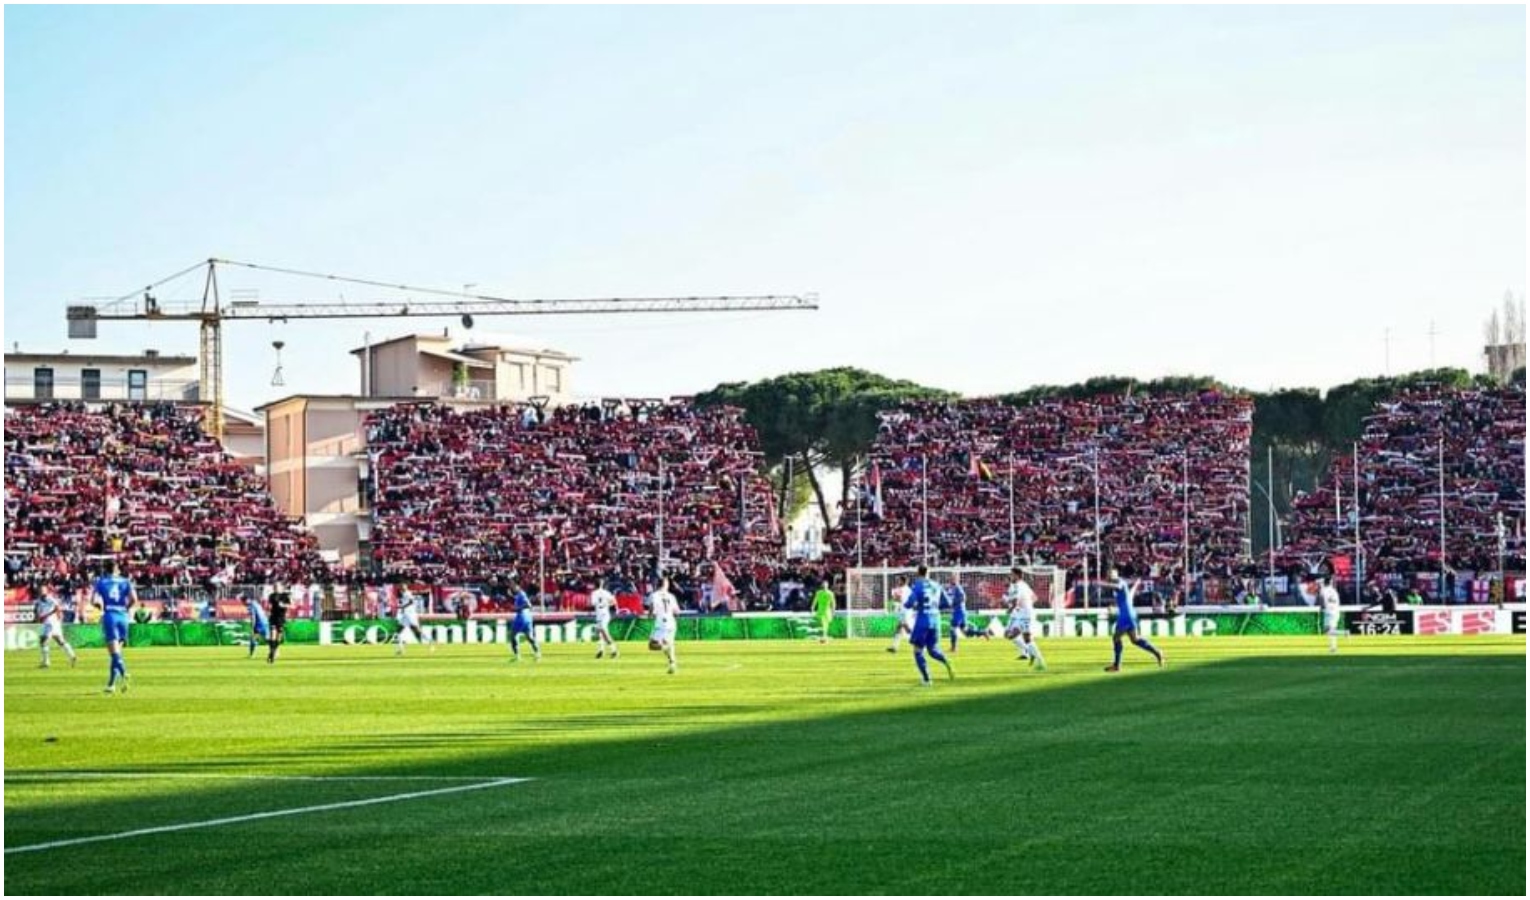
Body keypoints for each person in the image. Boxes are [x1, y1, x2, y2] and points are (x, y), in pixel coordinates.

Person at [1104, 568, 1164, 672]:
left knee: (1116, 638)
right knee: (1135, 639)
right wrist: (1136, 584)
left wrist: (1103, 585)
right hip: (1130, 614)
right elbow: (1129, 596)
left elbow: (1118, 587)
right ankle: (1157, 652)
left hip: (1125, 615)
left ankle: (1116, 665)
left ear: (1115, 575)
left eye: (1111, 574)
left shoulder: (1120, 582)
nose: (1109, 576)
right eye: (1108, 574)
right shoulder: (1120, 588)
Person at [92, 560, 137, 693]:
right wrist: (125, 609)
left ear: (106, 570)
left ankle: (124, 673)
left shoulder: (101, 582)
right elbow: (134, 599)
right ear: (117, 570)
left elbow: (93, 600)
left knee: (114, 654)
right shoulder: (126, 581)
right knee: (117, 653)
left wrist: (99, 607)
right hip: (123, 617)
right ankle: (111, 685)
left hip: (110, 615)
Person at [904, 565, 953, 686]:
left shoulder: (917, 585)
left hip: (923, 620)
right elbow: (948, 603)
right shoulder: (937, 585)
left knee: (918, 651)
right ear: (928, 573)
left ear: (918, 573)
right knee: (932, 650)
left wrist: (909, 605)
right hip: (935, 620)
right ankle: (946, 661)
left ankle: (926, 679)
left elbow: (909, 603)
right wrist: (935, 608)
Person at [1003, 568, 1046, 671]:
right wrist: (1026, 604)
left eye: (1012, 575)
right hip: (1021, 615)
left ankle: (1040, 662)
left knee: (1026, 638)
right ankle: (1031, 653)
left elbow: (1016, 601)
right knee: (1010, 635)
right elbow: (1035, 597)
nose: (1010, 577)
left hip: (1026, 615)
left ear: (1017, 576)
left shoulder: (1018, 586)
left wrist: (1011, 609)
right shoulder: (1024, 585)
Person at [34, 583, 78, 669]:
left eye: (43, 590)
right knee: (60, 641)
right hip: (49, 623)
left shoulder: (50, 599)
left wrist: (47, 615)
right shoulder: (39, 601)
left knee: (43, 641)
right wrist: (39, 617)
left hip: (51, 623)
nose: (41, 591)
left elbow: (58, 608)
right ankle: (72, 656)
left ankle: (46, 662)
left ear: (46, 591)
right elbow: (39, 612)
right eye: (40, 590)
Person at [647, 576, 680, 674]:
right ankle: (672, 664)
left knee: (652, 645)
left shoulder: (654, 595)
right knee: (667, 643)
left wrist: (650, 615)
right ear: (666, 585)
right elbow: (677, 612)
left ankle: (667, 647)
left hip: (661, 623)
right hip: (672, 622)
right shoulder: (671, 596)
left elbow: (652, 609)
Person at [392, 586, 431, 656]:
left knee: (417, 630)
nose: (401, 589)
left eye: (403, 588)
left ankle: (429, 642)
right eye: (401, 588)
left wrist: (402, 607)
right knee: (397, 632)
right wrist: (401, 608)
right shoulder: (404, 595)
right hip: (405, 616)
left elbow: (411, 602)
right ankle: (400, 650)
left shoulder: (408, 593)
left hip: (410, 615)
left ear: (405, 588)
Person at [509, 580, 540, 663]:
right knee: (530, 637)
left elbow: (529, 605)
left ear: (518, 586)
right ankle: (537, 654)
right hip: (528, 617)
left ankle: (517, 656)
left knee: (513, 635)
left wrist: (517, 608)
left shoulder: (521, 594)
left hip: (521, 617)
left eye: (513, 586)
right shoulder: (519, 595)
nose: (512, 588)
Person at [589, 580, 619, 659]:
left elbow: (592, 603)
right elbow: (614, 602)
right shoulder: (607, 592)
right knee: (599, 634)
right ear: (602, 585)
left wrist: (602, 604)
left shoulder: (594, 593)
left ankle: (614, 650)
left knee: (603, 631)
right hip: (604, 613)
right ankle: (600, 651)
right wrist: (607, 604)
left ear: (595, 585)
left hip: (602, 614)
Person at [886, 575, 913, 653]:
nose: (898, 582)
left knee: (906, 628)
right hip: (906, 610)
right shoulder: (909, 589)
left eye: (899, 580)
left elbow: (898, 599)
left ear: (902, 581)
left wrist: (894, 597)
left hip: (904, 611)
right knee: (899, 627)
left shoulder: (901, 589)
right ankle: (894, 647)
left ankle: (919, 644)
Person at [266, 583, 292, 664]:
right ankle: (272, 653)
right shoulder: (271, 596)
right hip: (273, 617)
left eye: (277, 586)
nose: (275, 588)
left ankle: (272, 652)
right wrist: (268, 611)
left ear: (281, 587)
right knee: (272, 634)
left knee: (278, 637)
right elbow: (269, 606)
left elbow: (291, 605)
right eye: (274, 587)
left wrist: (283, 605)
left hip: (281, 618)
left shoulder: (285, 595)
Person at [1319, 576, 1342, 654]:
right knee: (1328, 631)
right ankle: (1333, 647)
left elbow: (1323, 600)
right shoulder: (1334, 591)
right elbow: (1338, 601)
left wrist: (1322, 609)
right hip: (1335, 611)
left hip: (1329, 611)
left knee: (1330, 631)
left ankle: (1334, 647)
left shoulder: (1324, 590)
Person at [244, 591, 270, 659]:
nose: (243, 603)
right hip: (265, 622)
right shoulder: (256, 603)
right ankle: (275, 652)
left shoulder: (251, 605)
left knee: (253, 639)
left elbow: (253, 617)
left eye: (243, 601)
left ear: (247, 600)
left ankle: (251, 654)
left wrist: (252, 627)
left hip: (259, 624)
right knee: (267, 639)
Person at [944, 580, 967, 652]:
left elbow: (963, 597)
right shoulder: (955, 589)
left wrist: (955, 603)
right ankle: (983, 632)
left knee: (952, 629)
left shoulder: (958, 588)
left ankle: (953, 648)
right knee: (965, 631)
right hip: (959, 611)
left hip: (958, 612)